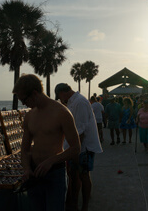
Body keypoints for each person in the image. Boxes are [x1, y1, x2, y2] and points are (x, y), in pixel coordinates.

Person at [13, 74, 81, 211]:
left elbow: (76, 148)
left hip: (54, 173)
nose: (23, 104)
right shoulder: (29, 116)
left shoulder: (62, 113)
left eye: (24, 100)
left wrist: (51, 161)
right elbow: (25, 149)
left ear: (34, 93)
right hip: (34, 173)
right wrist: (27, 168)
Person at [54, 83, 103, 211]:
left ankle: (84, 206)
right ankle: (73, 203)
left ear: (62, 93)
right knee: (75, 175)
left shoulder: (79, 102)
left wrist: (75, 151)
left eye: (59, 97)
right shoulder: (73, 101)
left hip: (84, 147)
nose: (60, 100)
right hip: (78, 147)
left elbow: (80, 130)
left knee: (83, 175)